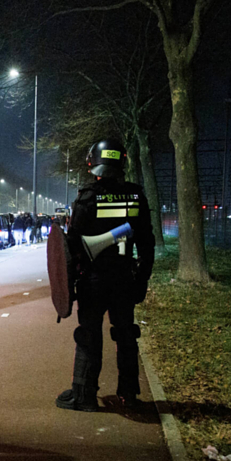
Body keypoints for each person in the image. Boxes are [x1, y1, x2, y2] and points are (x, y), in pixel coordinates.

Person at [57, 139, 155, 411]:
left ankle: (84, 394)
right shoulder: (136, 196)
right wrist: (142, 278)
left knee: (89, 334)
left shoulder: (87, 197)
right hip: (124, 278)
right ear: (122, 162)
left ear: (93, 163)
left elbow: (73, 244)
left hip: (93, 279)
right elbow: (147, 242)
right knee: (126, 334)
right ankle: (129, 394)